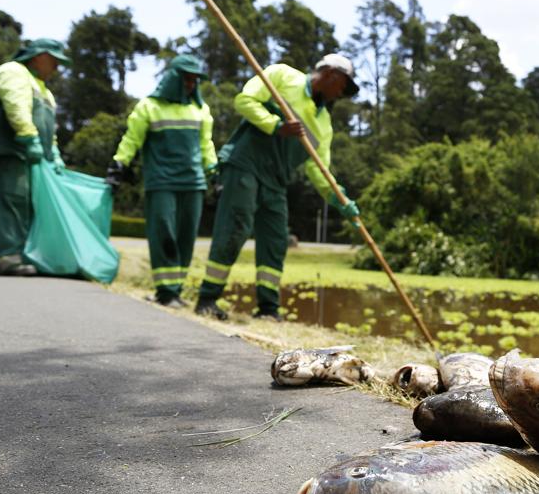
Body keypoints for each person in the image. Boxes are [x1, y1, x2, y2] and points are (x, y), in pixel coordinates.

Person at [194, 53, 361, 321]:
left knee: (275, 240)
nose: (340, 94)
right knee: (235, 227)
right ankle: (207, 298)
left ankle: (268, 309)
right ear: (331, 74)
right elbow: (244, 100)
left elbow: (320, 170)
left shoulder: (323, 124)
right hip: (245, 165)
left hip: (276, 180)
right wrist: (276, 126)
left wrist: (339, 198)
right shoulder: (283, 76)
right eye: (342, 86)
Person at [107, 55, 217, 308]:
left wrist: (213, 170)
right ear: (173, 79)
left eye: (195, 80)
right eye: (187, 79)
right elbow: (131, 139)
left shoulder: (199, 109)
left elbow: (206, 145)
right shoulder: (149, 107)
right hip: (162, 182)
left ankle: (176, 290)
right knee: (164, 233)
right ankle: (165, 291)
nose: (191, 85)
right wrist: (119, 163)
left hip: (193, 182)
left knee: (186, 237)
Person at [0, 38, 71, 276]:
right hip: (6, 149)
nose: (57, 67)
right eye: (54, 60)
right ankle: (9, 257)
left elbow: (49, 128)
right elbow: (16, 107)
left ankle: (24, 253)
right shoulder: (13, 72)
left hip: (28, 154)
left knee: (27, 204)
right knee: (11, 200)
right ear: (39, 56)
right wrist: (29, 137)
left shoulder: (43, 89)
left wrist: (54, 153)